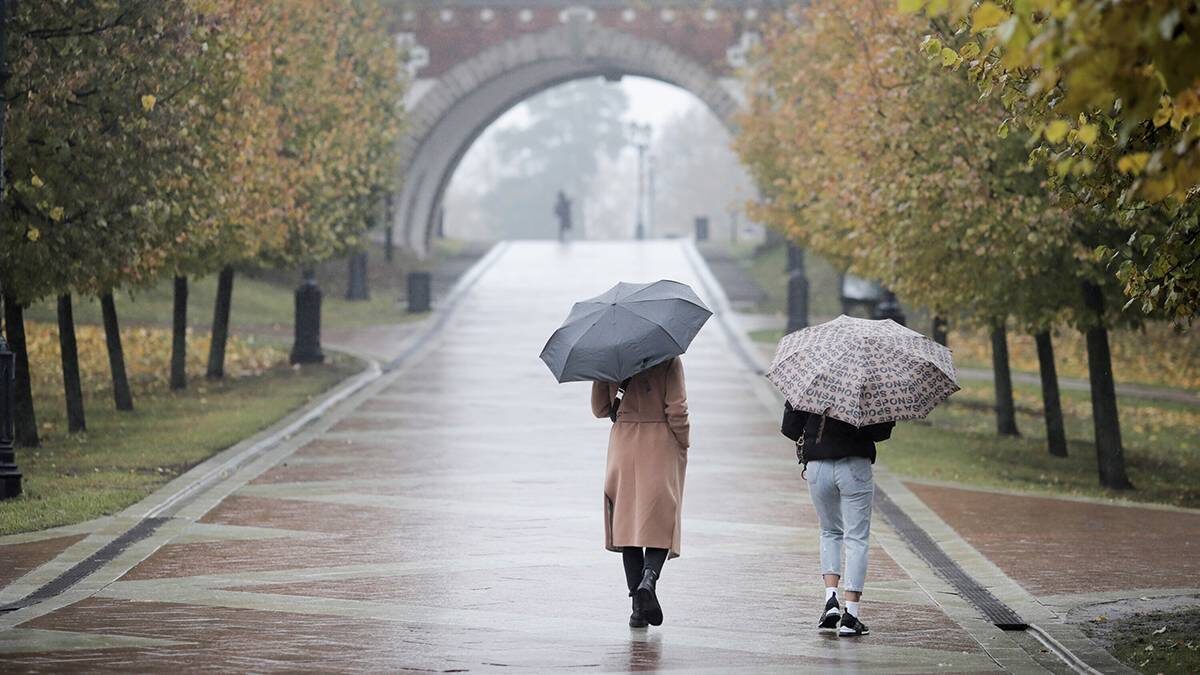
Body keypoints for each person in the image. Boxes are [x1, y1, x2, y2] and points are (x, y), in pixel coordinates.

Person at [591, 357, 689, 628]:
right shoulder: (669, 358)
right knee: (661, 520)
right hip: (660, 443)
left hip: (623, 444)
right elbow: (677, 409)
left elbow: (600, 409)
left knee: (627, 526)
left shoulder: (610, 358)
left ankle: (637, 609)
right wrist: (683, 441)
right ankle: (649, 578)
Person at [782, 402, 893, 637]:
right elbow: (881, 432)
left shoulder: (811, 382)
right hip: (855, 465)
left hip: (817, 465)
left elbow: (790, 427)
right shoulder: (871, 387)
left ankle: (830, 599)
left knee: (829, 531)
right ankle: (850, 616)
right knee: (856, 538)